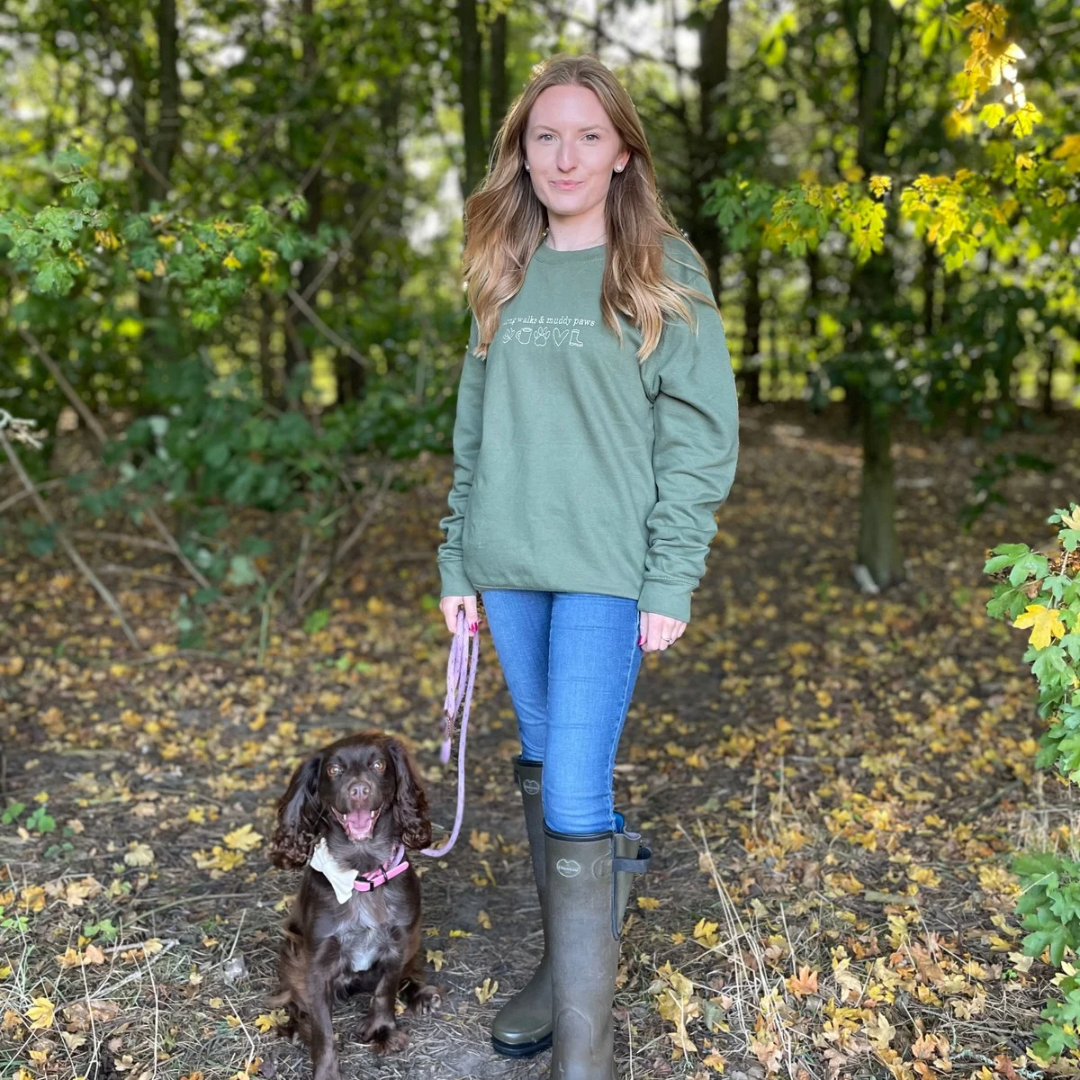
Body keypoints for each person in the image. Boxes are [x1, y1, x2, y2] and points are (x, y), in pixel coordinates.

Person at [436, 52, 739, 1080]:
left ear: (622, 155)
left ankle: (586, 1050)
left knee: (573, 782)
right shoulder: (503, 262)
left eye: (588, 137)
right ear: (521, 151)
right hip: (509, 563)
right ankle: (565, 965)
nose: (564, 156)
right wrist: (455, 558)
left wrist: (671, 576)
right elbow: (475, 432)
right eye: (545, 136)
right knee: (545, 765)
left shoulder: (663, 265)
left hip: (608, 571)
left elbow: (699, 442)